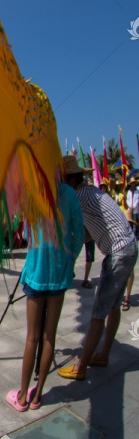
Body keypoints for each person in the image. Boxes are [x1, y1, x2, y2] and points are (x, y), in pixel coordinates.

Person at [6, 174, 83, 411]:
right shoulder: (69, 194)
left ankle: (21, 398)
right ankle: (37, 395)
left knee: (32, 337)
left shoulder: (32, 194)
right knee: (50, 335)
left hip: (36, 272)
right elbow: (79, 235)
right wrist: (69, 261)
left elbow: (27, 235)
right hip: (59, 274)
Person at [58, 156, 138, 380]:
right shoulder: (90, 193)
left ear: (71, 182)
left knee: (98, 312)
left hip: (118, 252)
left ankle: (81, 366)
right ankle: (102, 355)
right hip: (128, 247)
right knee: (112, 307)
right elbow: (90, 232)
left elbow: (67, 224)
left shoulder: (79, 196)